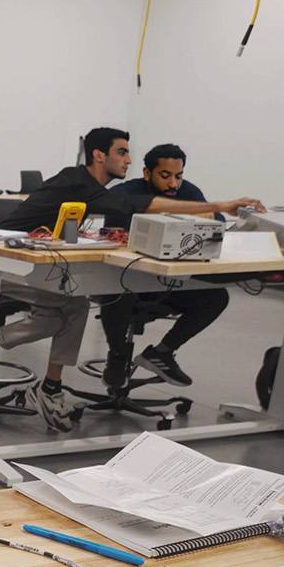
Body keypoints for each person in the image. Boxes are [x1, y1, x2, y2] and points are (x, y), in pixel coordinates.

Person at [0, 128, 262, 418]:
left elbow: (61, 229)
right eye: (121, 152)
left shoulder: (85, 186)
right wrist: (221, 205)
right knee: (74, 306)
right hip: (5, 262)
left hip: (34, 263)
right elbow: (132, 205)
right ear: (99, 155)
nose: (128, 160)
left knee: (72, 306)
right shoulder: (77, 183)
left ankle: (48, 387)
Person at [98, 143, 230, 387]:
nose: (173, 184)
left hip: (168, 280)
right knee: (116, 291)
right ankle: (116, 355)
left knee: (216, 297)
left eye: (178, 176)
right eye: (165, 176)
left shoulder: (188, 191)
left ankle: (162, 352)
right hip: (128, 280)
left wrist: (207, 215)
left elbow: (217, 218)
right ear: (148, 173)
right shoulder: (126, 193)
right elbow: (115, 234)